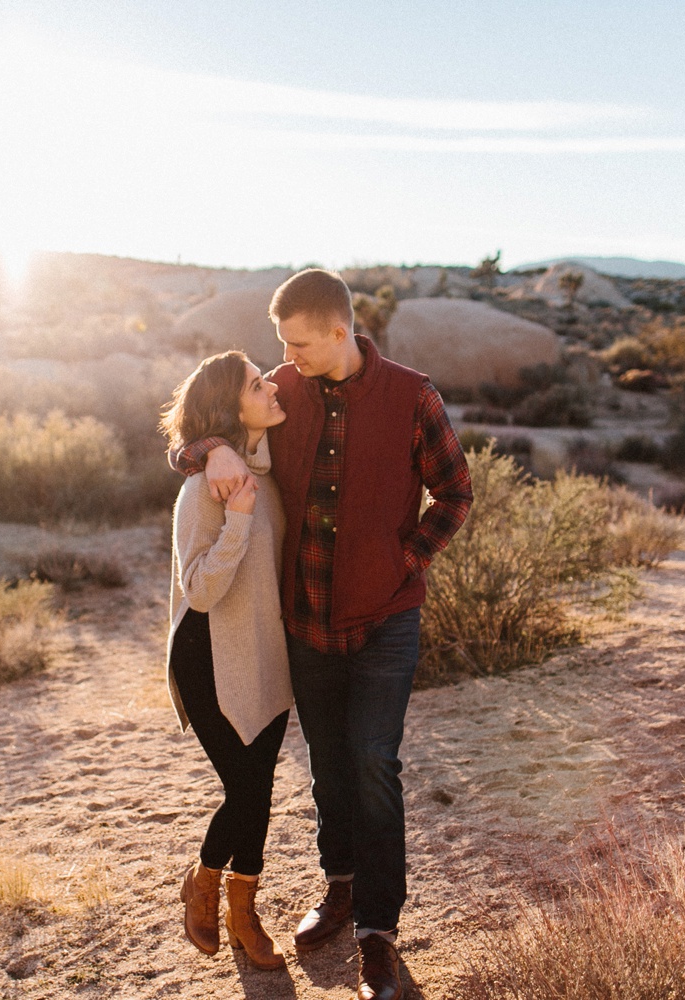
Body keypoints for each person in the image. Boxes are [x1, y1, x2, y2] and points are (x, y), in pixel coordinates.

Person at [172, 269, 473, 1000]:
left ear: (339, 331)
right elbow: (206, 421)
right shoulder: (286, 387)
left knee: (374, 763)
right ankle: (339, 890)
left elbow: (456, 492)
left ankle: (377, 932)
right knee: (330, 770)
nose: (286, 358)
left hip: (385, 621)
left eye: (298, 343)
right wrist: (203, 449)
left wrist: (405, 559)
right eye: (281, 346)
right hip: (304, 626)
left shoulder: (411, 396)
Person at [160, 350, 295, 971]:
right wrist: (237, 520)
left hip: (265, 651)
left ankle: (240, 902)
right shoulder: (204, 489)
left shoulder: (263, 468)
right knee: (244, 788)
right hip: (208, 656)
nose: (270, 387)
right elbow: (202, 592)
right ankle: (214, 888)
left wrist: (214, 447)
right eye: (256, 383)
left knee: (260, 787)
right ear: (228, 405)